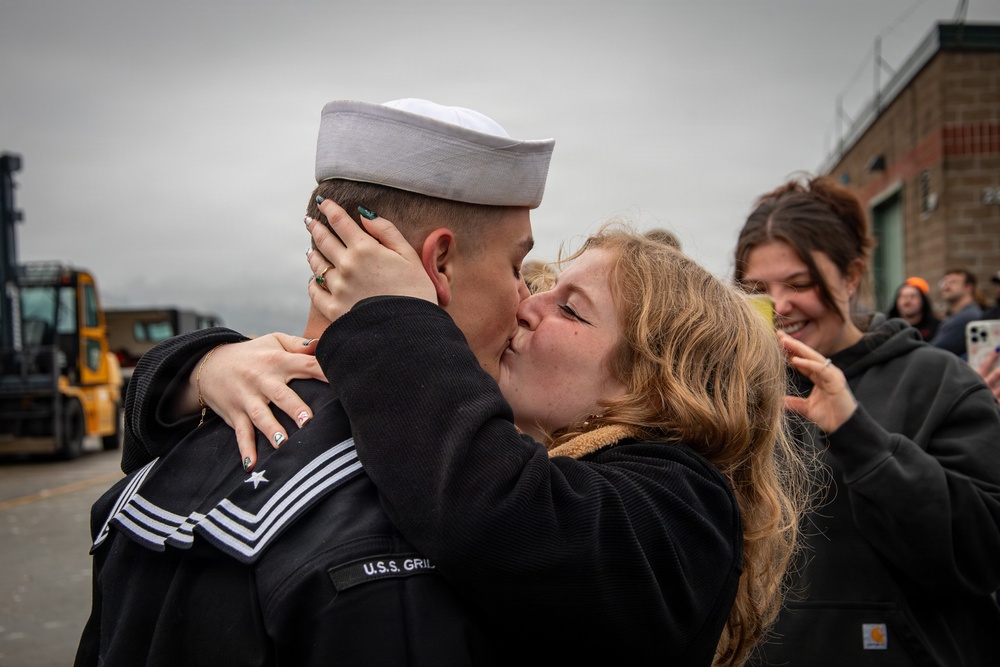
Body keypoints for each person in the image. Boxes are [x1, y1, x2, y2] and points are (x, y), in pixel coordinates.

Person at [76, 98, 555, 666]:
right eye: (515, 267)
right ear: (440, 264)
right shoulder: (411, 518)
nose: (526, 300)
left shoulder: (155, 473)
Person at [733, 175, 1000, 666]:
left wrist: (859, 436)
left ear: (851, 276)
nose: (780, 306)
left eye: (799, 284)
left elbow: (983, 553)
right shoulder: (739, 392)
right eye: (758, 290)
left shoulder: (939, 381)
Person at [931, 268, 983, 356]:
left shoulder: (969, 316)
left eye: (953, 282)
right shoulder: (955, 315)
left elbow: (937, 349)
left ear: (968, 287)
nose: (946, 286)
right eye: (944, 282)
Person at [885, 276, 940, 341]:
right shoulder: (887, 328)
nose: (908, 301)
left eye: (913, 296)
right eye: (903, 297)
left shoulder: (938, 328)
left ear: (922, 301)